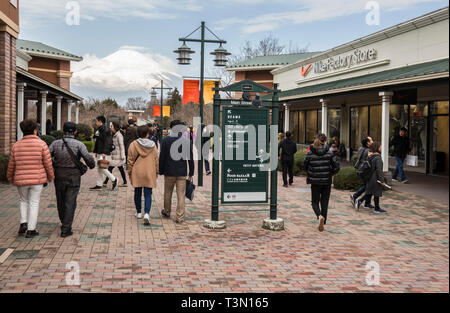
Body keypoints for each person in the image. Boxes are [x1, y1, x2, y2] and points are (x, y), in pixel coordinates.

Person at [7, 119, 55, 238]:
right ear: (35, 130)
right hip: (37, 180)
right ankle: (31, 229)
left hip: (21, 179)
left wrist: (9, 176)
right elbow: (48, 163)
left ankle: (23, 222)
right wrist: (51, 176)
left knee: (23, 200)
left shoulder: (16, 145)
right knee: (34, 202)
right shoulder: (42, 144)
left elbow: (11, 164)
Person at [49, 122, 96, 237]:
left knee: (60, 200)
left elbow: (47, 157)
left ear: (63, 130)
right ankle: (66, 228)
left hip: (59, 174)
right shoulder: (79, 144)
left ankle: (63, 221)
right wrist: (92, 164)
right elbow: (89, 160)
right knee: (70, 201)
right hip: (74, 176)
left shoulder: (54, 143)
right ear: (75, 131)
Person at [159, 120, 194, 224]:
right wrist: (191, 172)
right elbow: (190, 159)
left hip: (169, 171)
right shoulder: (187, 141)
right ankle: (180, 217)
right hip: (181, 172)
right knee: (181, 195)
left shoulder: (165, 141)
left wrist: (160, 170)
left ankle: (167, 211)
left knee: (167, 193)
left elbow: (162, 158)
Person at [304, 133, 340, 232]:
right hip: (326, 181)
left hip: (315, 181)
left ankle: (319, 216)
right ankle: (323, 221)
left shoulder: (310, 152)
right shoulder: (329, 152)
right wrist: (330, 173)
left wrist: (310, 173)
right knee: (325, 202)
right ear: (325, 141)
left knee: (314, 202)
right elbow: (336, 166)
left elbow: (305, 165)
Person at [128, 125, 159, 225]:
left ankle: (139, 212)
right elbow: (156, 160)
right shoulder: (153, 145)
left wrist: (130, 172)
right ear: (147, 134)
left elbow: (130, 160)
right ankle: (147, 213)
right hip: (149, 171)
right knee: (148, 194)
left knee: (137, 192)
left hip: (137, 172)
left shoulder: (133, 144)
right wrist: (156, 172)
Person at [358, 142, 388, 214]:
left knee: (370, 192)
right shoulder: (378, 158)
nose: (381, 148)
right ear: (377, 148)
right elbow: (379, 170)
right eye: (380, 147)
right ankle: (376, 208)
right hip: (375, 178)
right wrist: (382, 180)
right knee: (376, 192)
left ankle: (361, 202)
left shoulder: (371, 156)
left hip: (369, 177)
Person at [90, 116, 117, 190]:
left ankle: (114, 179)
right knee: (99, 168)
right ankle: (99, 184)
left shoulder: (105, 129)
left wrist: (104, 152)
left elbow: (108, 142)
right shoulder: (100, 129)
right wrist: (96, 151)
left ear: (100, 122)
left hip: (103, 152)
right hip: (100, 151)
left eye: (97, 121)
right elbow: (99, 141)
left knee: (102, 168)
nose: (96, 123)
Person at [351, 136, 375, 210]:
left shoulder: (360, 148)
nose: (373, 141)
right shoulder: (368, 151)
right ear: (368, 143)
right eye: (371, 140)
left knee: (367, 186)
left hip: (360, 170)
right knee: (369, 187)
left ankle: (367, 203)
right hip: (366, 171)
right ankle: (355, 197)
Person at [103, 121, 127, 187]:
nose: (110, 127)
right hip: (115, 155)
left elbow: (122, 146)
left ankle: (105, 182)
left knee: (110, 168)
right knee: (120, 168)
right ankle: (125, 182)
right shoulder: (114, 134)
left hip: (118, 156)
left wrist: (122, 156)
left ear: (115, 127)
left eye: (112, 126)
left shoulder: (119, 135)